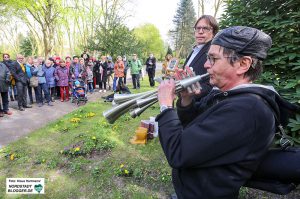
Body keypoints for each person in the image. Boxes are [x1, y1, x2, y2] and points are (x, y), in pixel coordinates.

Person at [155, 26, 294, 199]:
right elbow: (193, 129)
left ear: (243, 64)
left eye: (213, 59)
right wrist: (187, 100)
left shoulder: (246, 110)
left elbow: (178, 152)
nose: (206, 65)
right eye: (207, 58)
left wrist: (166, 107)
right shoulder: (226, 96)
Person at [184, 15, 219, 96]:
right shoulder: (195, 50)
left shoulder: (213, 52)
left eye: (205, 28)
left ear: (214, 32)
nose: (200, 31)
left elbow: (216, 81)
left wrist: (197, 91)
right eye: (198, 28)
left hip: (202, 104)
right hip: (186, 103)